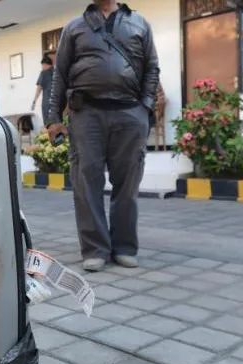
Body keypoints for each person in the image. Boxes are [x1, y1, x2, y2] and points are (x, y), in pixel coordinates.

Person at [46, 1, 159, 271]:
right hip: (87, 114)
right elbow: (59, 74)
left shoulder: (140, 24)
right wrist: (53, 118)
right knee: (87, 184)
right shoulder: (73, 28)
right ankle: (95, 248)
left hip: (130, 112)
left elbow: (152, 68)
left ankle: (124, 247)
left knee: (128, 183)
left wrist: (144, 107)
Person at [31, 55, 55, 122]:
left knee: (48, 123)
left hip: (47, 102)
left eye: (42, 65)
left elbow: (39, 88)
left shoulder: (43, 73)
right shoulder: (57, 72)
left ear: (45, 64)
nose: (42, 67)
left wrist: (34, 101)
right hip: (57, 101)